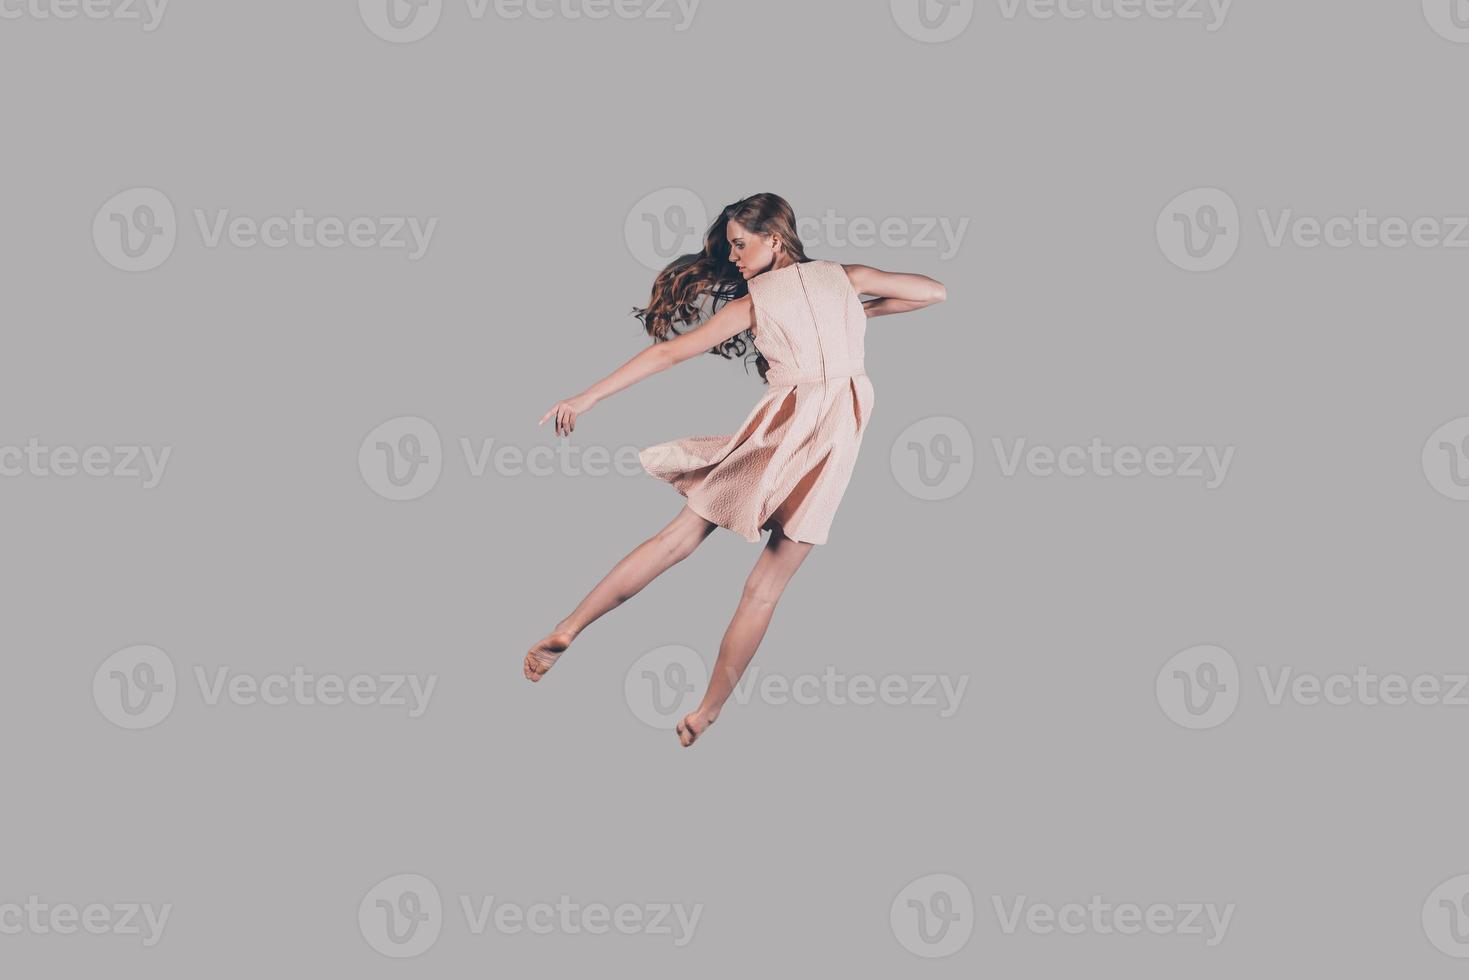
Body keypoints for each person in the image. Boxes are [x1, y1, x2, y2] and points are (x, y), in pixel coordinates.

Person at [527, 192, 947, 747]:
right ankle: (707, 711)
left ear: (775, 239)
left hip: (783, 426)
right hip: (835, 436)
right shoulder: (847, 276)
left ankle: (569, 628)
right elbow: (934, 292)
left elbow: (667, 354)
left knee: (678, 539)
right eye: (730, 248)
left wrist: (588, 398)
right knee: (765, 588)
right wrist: (860, 311)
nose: (735, 258)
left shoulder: (756, 301)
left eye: (741, 245)